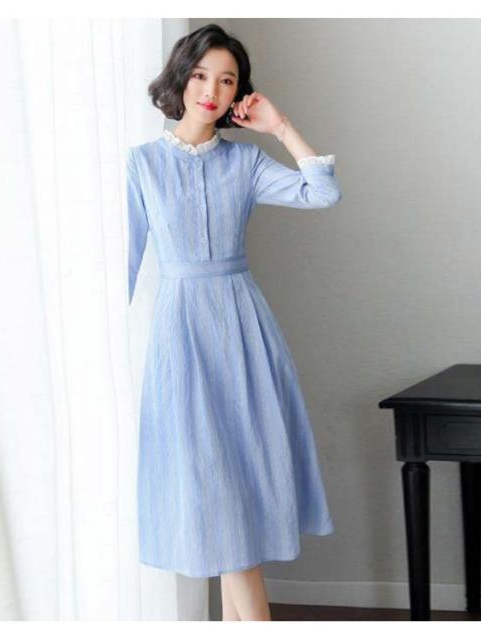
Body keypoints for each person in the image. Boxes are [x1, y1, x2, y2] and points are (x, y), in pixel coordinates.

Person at [128, 23, 342, 621]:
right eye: (201, 76)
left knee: (238, 508)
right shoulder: (142, 165)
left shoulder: (244, 162)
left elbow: (322, 193)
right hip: (182, 340)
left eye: (226, 81)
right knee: (219, 510)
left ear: (237, 93)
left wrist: (280, 127)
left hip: (245, 334)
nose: (211, 91)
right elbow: (121, 266)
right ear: (180, 78)